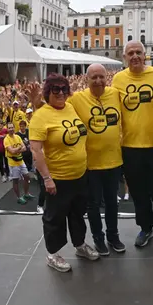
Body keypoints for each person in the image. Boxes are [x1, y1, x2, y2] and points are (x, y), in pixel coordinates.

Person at [112, 42, 153, 251]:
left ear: (145, 55)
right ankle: (146, 228)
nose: (135, 56)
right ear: (124, 57)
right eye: (130, 53)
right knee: (139, 194)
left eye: (138, 53)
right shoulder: (118, 79)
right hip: (130, 147)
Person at [29, 74, 99, 273]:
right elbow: (36, 150)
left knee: (77, 214)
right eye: (55, 90)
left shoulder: (71, 107)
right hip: (57, 179)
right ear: (47, 92)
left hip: (79, 175)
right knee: (55, 218)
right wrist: (47, 178)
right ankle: (53, 254)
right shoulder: (40, 116)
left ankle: (79, 246)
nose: (60, 93)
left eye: (64, 89)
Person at [67, 64, 126, 255]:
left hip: (114, 160)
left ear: (106, 78)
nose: (98, 81)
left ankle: (113, 236)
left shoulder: (115, 94)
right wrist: (36, 103)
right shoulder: (77, 98)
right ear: (87, 79)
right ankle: (98, 239)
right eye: (94, 77)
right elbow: (57, 110)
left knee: (111, 202)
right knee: (93, 205)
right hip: (90, 163)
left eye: (101, 77)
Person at [4, 122, 33, 205]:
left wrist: (17, 149)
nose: (11, 129)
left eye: (12, 127)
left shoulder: (18, 136)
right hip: (13, 163)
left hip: (21, 161)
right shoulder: (6, 139)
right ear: (7, 129)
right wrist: (19, 148)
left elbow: (24, 148)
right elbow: (12, 151)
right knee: (15, 180)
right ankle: (18, 197)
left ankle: (26, 193)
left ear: (14, 128)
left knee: (27, 176)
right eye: (9, 128)